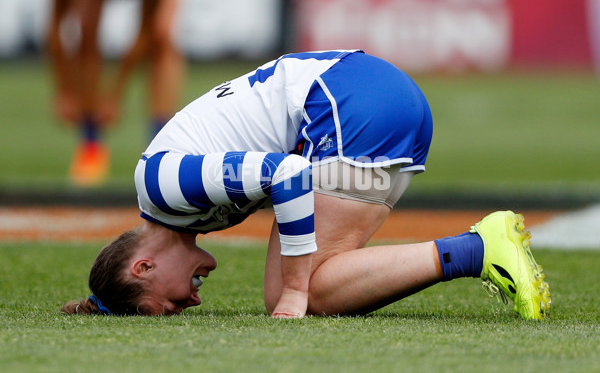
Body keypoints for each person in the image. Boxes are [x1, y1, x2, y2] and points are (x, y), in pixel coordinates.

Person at [61, 50, 551, 319]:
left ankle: (477, 249)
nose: (190, 303)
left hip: (351, 103)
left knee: (292, 293)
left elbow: (289, 175)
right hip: (372, 98)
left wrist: (295, 292)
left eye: (166, 306)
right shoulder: (179, 207)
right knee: (323, 276)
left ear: (143, 267)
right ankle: (472, 251)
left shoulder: (162, 186)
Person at [47, 0, 184, 186]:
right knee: (85, 28)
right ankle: (90, 145)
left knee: (162, 35)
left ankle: (159, 153)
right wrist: (64, 90)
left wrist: (116, 93)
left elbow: (146, 31)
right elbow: (55, 27)